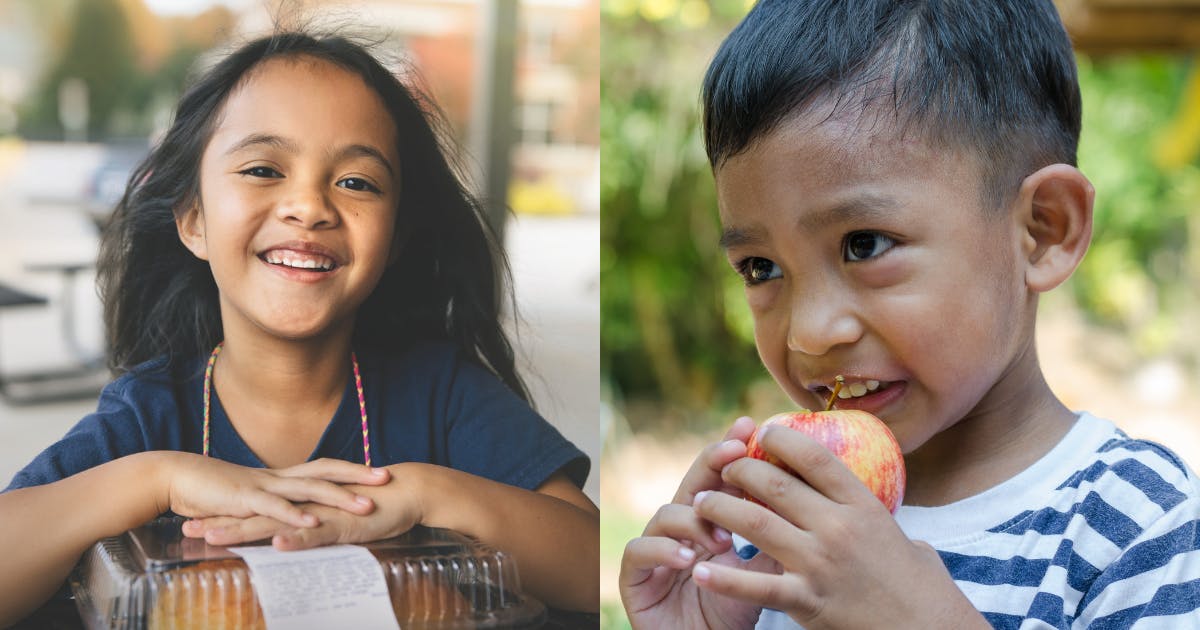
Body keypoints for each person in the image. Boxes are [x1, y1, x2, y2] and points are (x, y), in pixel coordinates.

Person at [620, 1, 1200, 628]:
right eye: (762, 268)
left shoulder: (1138, 528)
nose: (810, 332)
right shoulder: (780, 531)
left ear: (1041, 230)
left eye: (863, 245)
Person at [0, 30, 597, 626]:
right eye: (263, 169)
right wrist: (156, 478)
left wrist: (424, 495)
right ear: (194, 220)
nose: (309, 206)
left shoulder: (442, 395)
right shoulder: (151, 416)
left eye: (356, 182)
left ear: (395, 238)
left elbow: (594, 567)